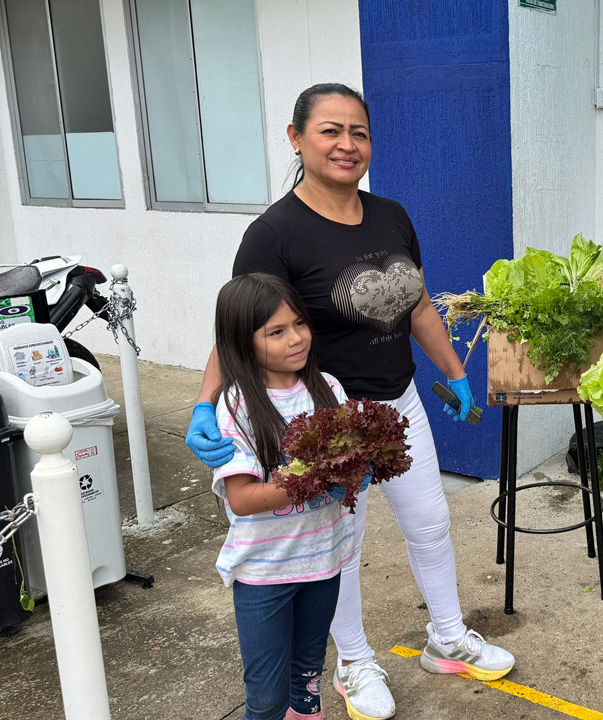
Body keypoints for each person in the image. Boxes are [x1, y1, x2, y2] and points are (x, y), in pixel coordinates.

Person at [185, 83, 513, 720]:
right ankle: (354, 662)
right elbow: (239, 327)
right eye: (330, 131)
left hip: (399, 404)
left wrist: (456, 373)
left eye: (358, 133)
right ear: (296, 138)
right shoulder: (274, 234)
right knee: (339, 546)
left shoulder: (392, 215)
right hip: (325, 422)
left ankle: (447, 638)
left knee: (431, 523)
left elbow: (417, 303)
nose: (347, 145)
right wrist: (206, 403)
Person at [208, 273, 358, 720]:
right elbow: (242, 498)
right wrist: (314, 477)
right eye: (276, 331)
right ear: (243, 341)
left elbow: (351, 461)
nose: (296, 338)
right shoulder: (236, 404)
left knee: (308, 679)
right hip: (264, 573)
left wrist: (357, 472)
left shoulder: (329, 388)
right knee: (267, 699)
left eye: (300, 323)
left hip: (323, 561)